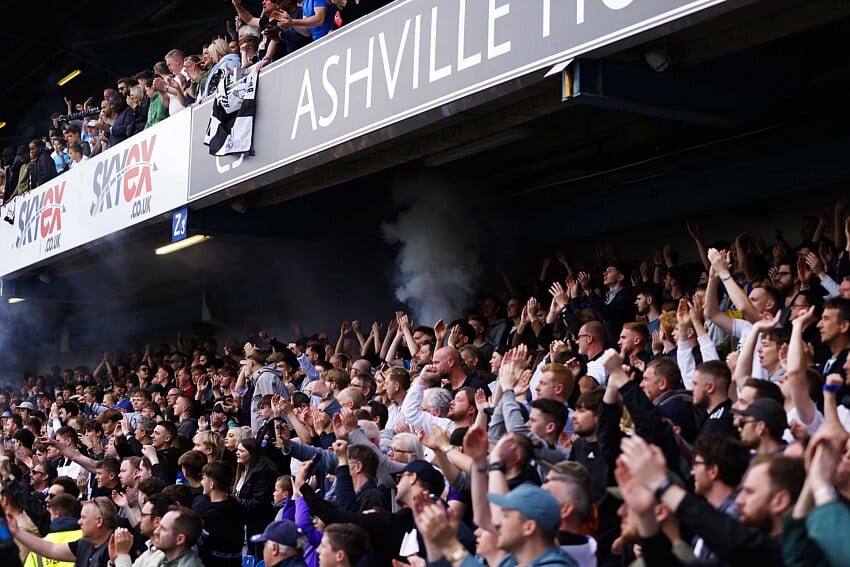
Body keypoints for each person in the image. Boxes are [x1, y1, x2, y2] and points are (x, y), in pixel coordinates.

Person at [415, 483, 578, 566]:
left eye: (506, 516)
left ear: (529, 527)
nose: (497, 524)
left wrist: (450, 545)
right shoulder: (513, 562)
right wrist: (432, 539)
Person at [5, 497, 117, 567]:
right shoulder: (84, 544)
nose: (79, 522)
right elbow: (52, 549)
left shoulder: (119, 548)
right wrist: (16, 532)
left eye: (83, 518)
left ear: (99, 521)